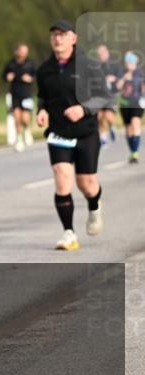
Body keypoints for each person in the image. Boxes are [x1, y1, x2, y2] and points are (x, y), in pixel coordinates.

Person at [35, 20, 111, 251]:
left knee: (86, 184)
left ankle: (94, 206)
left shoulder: (88, 65)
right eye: (54, 35)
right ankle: (69, 233)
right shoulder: (45, 69)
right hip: (59, 133)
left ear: (73, 39)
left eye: (62, 34)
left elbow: (103, 96)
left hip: (86, 132)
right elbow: (43, 96)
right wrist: (42, 111)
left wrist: (83, 109)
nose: (58, 39)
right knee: (62, 178)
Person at [2, 43, 37, 151]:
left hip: (26, 94)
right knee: (17, 118)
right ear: (17, 51)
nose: (23, 53)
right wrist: (8, 77)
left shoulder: (30, 63)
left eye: (25, 51)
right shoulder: (11, 64)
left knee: (25, 119)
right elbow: (3, 76)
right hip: (14, 94)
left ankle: (27, 129)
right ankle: (19, 140)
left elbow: (36, 76)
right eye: (21, 51)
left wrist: (30, 78)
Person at [115, 51, 144, 164]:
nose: (128, 64)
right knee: (128, 129)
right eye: (127, 62)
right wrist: (124, 79)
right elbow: (117, 87)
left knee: (135, 123)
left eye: (130, 62)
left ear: (134, 63)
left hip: (137, 104)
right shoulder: (122, 73)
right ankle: (132, 151)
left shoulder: (140, 73)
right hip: (125, 105)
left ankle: (135, 152)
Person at [94, 44, 122, 147]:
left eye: (103, 53)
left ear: (107, 53)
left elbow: (121, 79)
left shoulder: (115, 65)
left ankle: (112, 127)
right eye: (99, 54)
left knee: (108, 115)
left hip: (112, 95)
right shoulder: (96, 67)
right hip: (99, 96)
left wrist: (114, 79)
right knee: (99, 117)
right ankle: (103, 138)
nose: (101, 55)